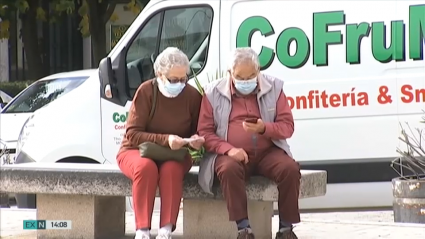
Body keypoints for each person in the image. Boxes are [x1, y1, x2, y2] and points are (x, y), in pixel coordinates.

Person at [197, 47, 301, 239]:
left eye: (251, 76)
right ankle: (243, 229)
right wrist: (229, 150)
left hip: (268, 152)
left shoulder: (274, 87)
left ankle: (286, 229)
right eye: (240, 77)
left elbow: (288, 126)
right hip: (232, 154)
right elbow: (205, 133)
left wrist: (265, 129)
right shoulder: (212, 92)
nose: (246, 82)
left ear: (258, 70)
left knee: (290, 168)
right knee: (228, 169)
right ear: (230, 74)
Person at [117, 47, 205, 239]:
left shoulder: (191, 96)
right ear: (159, 75)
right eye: (174, 80)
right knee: (145, 168)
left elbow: (200, 129)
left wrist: (196, 140)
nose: (180, 84)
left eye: (184, 79)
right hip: (136, 150)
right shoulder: (146, 91)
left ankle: (166, 229)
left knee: (171, 170)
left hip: (176, 154)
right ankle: (142, 230)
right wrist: (166, 139)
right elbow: (132, 133)